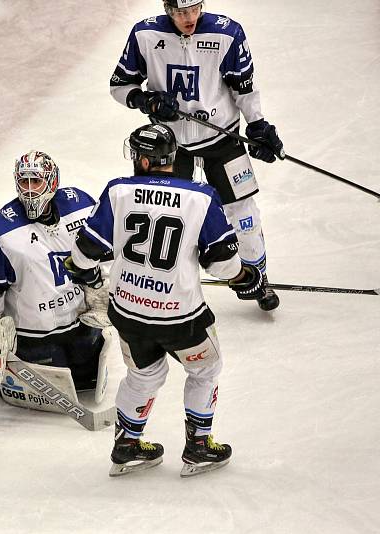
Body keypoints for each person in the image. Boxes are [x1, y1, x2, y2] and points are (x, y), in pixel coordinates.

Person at [65, 124, 265, 477]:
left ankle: (127, 446)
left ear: (143, 159)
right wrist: (244, 278)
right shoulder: (200, 196)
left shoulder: (119, 191)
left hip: (127, 311)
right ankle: (199, 447)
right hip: (180, 318)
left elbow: (84, 254)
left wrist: (81, 270)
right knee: (204, 369)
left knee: (143, 374)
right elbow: (223, 264)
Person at [109, 0, 283, 311]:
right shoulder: (145, 34)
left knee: (244, 216)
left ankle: (259, 276)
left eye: (193, 9)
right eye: (180, 12)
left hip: (222, 137)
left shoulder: (226, 33)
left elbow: (243, 88)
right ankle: (168, 284)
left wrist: (257, 124)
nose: (188, 18)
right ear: (167, 9)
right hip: (170, 144)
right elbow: (120, 85)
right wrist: (145, 100)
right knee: (165, 217)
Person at [0, 150, 115, 413]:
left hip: (81, 327)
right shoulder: (2, 228)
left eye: (35, 181)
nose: (28, 190)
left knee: (87, 381)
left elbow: (104, 255)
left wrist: (101, 291)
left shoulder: (81, 204)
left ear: (52, 182)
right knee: (57, 384)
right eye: (24, 182)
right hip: (35, 338)